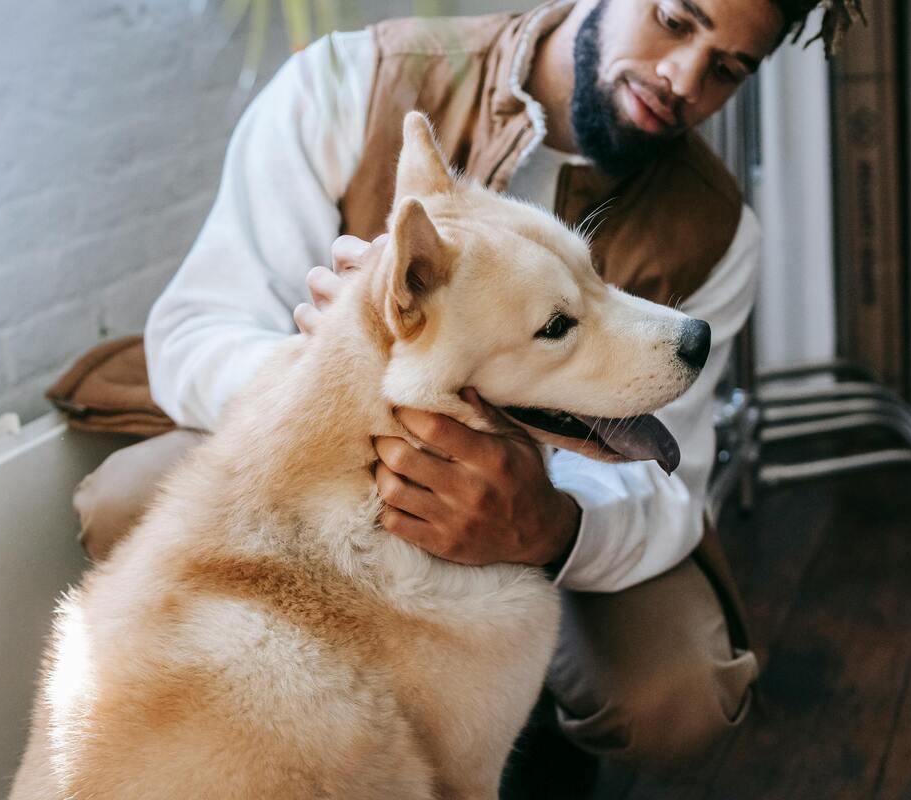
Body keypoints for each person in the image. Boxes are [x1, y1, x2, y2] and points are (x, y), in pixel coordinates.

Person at [68, 0, 863, 787]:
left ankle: (517, 732)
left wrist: (546, 523)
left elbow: (669, 486)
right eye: (676, 20)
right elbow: (198, 328)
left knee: (676, 694)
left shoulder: (718, 229)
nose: (682, 78)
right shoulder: (349, 81)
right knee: (125, 502)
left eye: (728, 68)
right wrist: (345, 370)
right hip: (315, 454)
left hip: (553, 506)